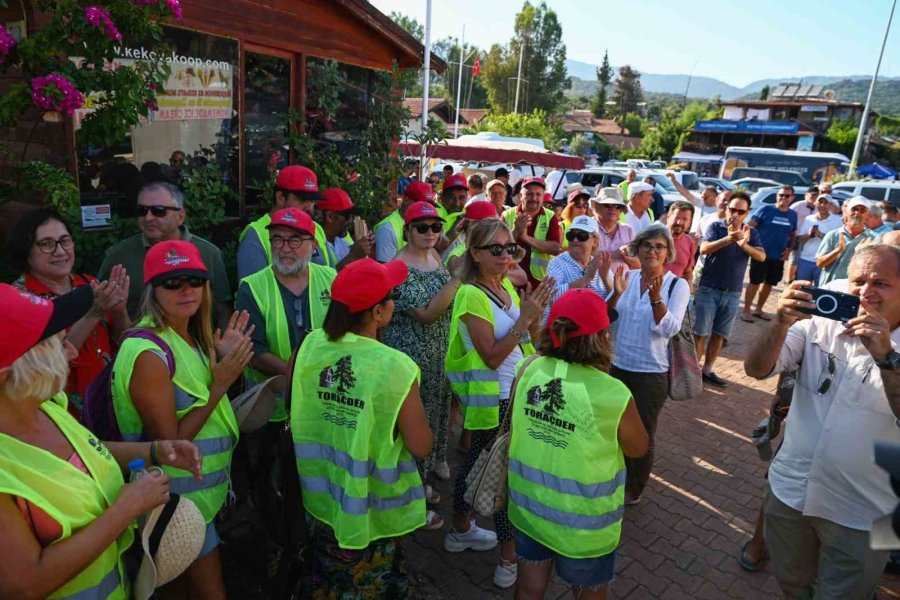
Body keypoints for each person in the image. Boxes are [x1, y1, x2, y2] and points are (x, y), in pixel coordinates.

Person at [0, 284, 202, 600]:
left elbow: (83, 455)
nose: (70, 350)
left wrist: (153, 451)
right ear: (6, 374)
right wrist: (126, 509)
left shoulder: (46, 405)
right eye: (52, 343)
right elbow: (24, 584)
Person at [744, 244, 900, 600]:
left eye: (881, 283)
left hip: (866, 511)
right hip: (791, 491)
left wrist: (887, 358)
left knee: (847, 593)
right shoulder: (821, 322)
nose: (865, 292)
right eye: (859, 280)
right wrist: (780, 322)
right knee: (792, 583)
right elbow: (755, 369)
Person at [111, 240, 252, 598]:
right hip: (175, 504)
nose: (186, 289)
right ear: (152, 291)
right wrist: (221, 384)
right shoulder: (148, 353)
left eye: (194, 279)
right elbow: (169, 446)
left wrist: (216, 359)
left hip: (197, 501)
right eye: (172, 282)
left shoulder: (187, 336)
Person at [290, 258, 433, 597]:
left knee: (327, 575)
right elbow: (421, 445)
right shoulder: (395, 366)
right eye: (391, 296)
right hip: (372, 509)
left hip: (319, 496)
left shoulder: (309, 344)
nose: (394, 301)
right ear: (377, 313)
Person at [510, 289, 649, 600]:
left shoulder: (529, 367)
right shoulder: (613, 392)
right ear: (601, 337)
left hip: (529, 508)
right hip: (584, 524)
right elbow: (638, 448)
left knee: (529, 590)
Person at [444, 219, 555, 588]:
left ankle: (460, 529)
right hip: (493, 399)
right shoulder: (471, 294)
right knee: (502, 476)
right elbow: (491, 355)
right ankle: (507, 557)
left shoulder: (504, 284)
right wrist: (524, 319)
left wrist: (533, 318)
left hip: (513, 394)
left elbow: (525, 340)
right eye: (496, 249)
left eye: (510, 248)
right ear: (474, 253)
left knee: (479, 462)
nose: (506, 256)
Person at [7, 208, 131, 415]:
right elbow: (45, 365)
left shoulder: (90, 284)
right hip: (58, 415)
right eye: (47, 243)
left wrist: (119, 313)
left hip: (110, 409)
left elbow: (124, 346)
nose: (60, 251)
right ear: (26, 251)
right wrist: (93, 315)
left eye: (65, 240)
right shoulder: (20, 301)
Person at [382, 201, 460, 519]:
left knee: (435, 415)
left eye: (436, 227)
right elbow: (427, 314)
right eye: (422, 227)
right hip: (411, 359)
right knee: (413, 424)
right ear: (408, 230)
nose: (430, 233)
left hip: (437, 356)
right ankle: (411, 494)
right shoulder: (398, 267)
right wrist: (457, 279)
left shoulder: (434, 256)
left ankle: (423, 478)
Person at [607, 224, 690, 505]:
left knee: (642, 433)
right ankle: (612, 477)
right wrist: (615, 294)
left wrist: (656, 299)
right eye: (646, 245)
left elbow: (669, 329)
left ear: (667, 253)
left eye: (659, 247)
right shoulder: (626, 277)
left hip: (650, 374)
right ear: (637, 249)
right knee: (612, 428)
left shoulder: (677, 285)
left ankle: (635, 486)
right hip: (617, 367)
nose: (652, 251)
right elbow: (608, 319)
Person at [98, 182, 233, 329]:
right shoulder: (118, 256)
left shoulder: (208, 253)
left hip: (195, 348)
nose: (148, 218)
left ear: (180, 216)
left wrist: (217, 349)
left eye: (159, 211)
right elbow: (100, 309)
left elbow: (222, 310)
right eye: (142, 210)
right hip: (137, 347)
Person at [693, 191, 765, 388]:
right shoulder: (716, 226)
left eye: (740, 211)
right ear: (726, 209)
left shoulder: (751, 232)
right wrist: (728, 239)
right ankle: (693, 371)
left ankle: (707, 370)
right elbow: (704, 249)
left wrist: (744, 245)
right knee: (700, 333)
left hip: (732, 292)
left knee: (719, 334)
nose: (735, 214)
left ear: (747, 212)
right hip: (709, 288)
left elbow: (761, 257)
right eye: (732, 209)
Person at [238, 165, 333, 279]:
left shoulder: (317, 229)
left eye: (312, 200)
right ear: (280, 197)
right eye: (302, 199)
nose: (309, 207)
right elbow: (251, 292)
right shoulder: (256, 234)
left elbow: (332, 278)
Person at [742, 185, 798, 322]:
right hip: (760, 254)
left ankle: (759, 309)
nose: (783, 198)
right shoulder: (766, 209)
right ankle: (746, 310)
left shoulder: (792, 215)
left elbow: (793, 234)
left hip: (778, 257)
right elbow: (749, 227)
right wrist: (750, 246)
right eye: (781, 195)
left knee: (769, 283)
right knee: (755, 282)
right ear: (777, 196)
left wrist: (789, 250)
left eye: (786, 196)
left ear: (792, 198)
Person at [544, 215, 612, 323]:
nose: (575, 240)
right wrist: (586, 278)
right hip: (561, 330)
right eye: (571, 235)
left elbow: (615, 302)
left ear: (595, 242)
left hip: (592, 331)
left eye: (582, 236)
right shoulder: (557, 263)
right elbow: (552, 296)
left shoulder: (600, 263)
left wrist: (605, 278)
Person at [503, 176, 562, 290]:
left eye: (538, 194)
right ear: (521, 196)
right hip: (510, 281)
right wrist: (516, 231)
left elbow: (555, 249)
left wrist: (526, 238)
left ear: (543, 197)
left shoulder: (550, 216)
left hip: (539, 283)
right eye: (529, 194)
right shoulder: (507, 215)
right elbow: (500, 248)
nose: (534, 198)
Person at [815, 196, 876, 286]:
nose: (857, 213)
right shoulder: (833, 235)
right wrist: (838, 250)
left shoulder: (873, 239)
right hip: (830, 288)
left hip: (855, 291)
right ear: (846, 212)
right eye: (854, 209)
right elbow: (819, 263)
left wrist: (862, 253)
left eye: (862, 210)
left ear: (867, 215)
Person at [375, 180, 434, 263]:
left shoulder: (427, 225)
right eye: (420, 205)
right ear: (406, 200)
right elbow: (387, 271)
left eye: (428, 206)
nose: (425, 210)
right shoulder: (387, 229)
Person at [316, 187, 373, 270]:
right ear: (330, 216)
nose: (350, 220)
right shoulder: (314, 244)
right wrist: (353, 256)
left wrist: (366, 249)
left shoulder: (344, 237)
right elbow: (324, 280)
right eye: (347, 216)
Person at [795, 194, 842, 285]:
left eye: (825, 203)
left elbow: (836, 242)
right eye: (820, 202)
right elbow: (800, 239)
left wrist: (820, 234)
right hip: (805, 259)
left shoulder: (837, 220)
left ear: (830, 205)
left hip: (824, 261)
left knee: (820, 291)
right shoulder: (809, 219)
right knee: (801, 288)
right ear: (816, 204)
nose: (822, 205)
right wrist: (809, 235)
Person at [591, 188, 639, 271]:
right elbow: (584, 258)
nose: (613, 208)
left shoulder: (628, 230)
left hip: (625, 282)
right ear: (597, 207)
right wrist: (616, 254)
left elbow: (639, 264)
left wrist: (627, 257)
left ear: (621, 210)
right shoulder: (589, 227)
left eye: (617, 206)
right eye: (608, 205)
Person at [663, 201, 696, 287]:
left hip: (674, 294)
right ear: (668, 217)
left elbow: (688, 272)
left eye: (685, 219)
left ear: (690, 223)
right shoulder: (654, 236)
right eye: (676, 217)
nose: (679, 222)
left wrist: (686, 291)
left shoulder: (689, 242)